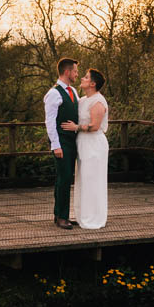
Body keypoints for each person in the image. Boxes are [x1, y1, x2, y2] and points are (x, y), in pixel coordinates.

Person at [63, 68, 108, 229]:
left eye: (86, 77)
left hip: (94, 144)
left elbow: (94, 126)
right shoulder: (82, 100)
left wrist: (76, 127)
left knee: (92, 180)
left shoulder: (98, 102)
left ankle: (94, 217)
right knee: (83, 179)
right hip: (83, 144)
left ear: (93, 84)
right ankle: (83, 215)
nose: (82, 78)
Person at [43, 58, 79, 229]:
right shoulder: (54, 93)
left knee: (65, 178)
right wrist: (56, 145)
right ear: (67, 72)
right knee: (64, 179)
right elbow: (50, 122)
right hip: (61, 142)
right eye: (75, 71)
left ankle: (59, 214)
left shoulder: (73, 91)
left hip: (73, 142)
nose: (77, 74)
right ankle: (62, 217)